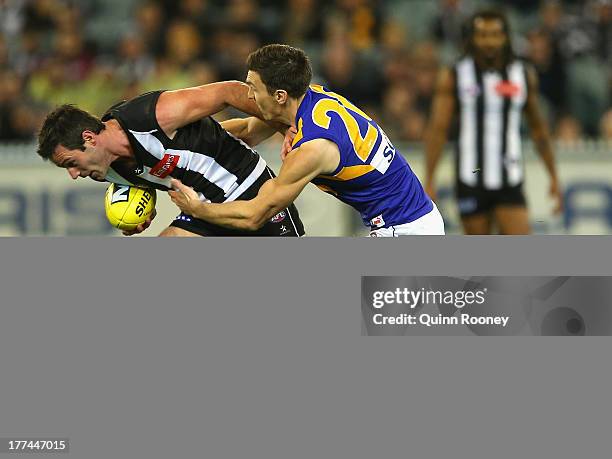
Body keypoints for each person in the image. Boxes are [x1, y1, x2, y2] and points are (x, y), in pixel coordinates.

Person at [169, 44, 444, 236]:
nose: (249, 97)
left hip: (404, 229)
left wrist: (199, 210)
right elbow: (246, 131)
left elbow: (255, 215)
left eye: (253, 88)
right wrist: (174, 141)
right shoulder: (310, 97)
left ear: (279, 95)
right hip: (410, 220)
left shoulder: (312, 149)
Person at [36, 81, 305, 237]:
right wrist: (142, 214)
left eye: (70, 163)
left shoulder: (150, 115)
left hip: (248, 186)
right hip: (202, 209)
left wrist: (285, 124)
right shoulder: (102, 168)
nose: (73, 174)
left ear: (89, 139)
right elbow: (150, 178)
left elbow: (229, 92)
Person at [424, 9, 563, 235]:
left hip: (510, 178)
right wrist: (429, 179)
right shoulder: (455, 75)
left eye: (495, 34)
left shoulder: (523, 75)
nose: (489, 41)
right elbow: (437, 130)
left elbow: (539, 130)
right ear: (472, 38)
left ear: (506, 37)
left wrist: (554, 176)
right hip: (470, 177)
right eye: (482, 34)